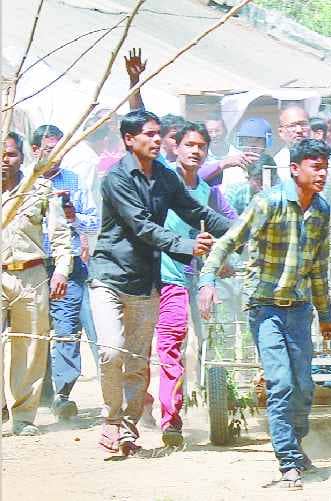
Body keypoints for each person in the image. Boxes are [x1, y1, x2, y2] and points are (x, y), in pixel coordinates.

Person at [198, 138, 331, 489]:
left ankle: (295, 444)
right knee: (281, 383)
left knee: (304, 386)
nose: (322, 173)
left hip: (300, 309)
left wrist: (326, 316)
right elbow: (228, 241)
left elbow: (318, 268)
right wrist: (207, 280)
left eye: (325, 167)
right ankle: (288, 461)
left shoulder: (322, 210)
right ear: (294, 169)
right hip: (264, 308)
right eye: (315, 166)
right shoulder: (268, 202)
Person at [89, 109, 233, 456]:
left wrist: (244, 232)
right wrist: (187, 245)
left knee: (138, 362)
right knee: (111, 351)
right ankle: (110, 418)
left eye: (159, 134)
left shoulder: (165, 177)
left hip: (146, 283)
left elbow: (197, 211)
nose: (157, 140)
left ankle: (128, 430)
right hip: (109, 277)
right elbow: (141, 226)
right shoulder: (116, 179)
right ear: (129, 140)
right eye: (150, 134)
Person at [156, 122, 238, 447]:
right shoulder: (162, 179)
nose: (195, 151)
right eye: (189, 144)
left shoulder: (208, 192)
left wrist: (215, 269)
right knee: (166, 347)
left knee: (205, 341)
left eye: (201, 146)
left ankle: (200, 411)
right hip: (160, 275)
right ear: (174, 147)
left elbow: (224, 231)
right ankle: (163, 417)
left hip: (192, 277)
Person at [1, 131, 71, 436]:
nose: (4, 161)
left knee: (31, 345)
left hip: (31, 275)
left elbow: (60, 235)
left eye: (10, 154)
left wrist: (61, 271)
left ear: (22, 157)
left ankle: (23, 417)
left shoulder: (40, 190)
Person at [30, 125, 100, 420]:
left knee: (66, 328)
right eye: (49, 150)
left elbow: (94, 222)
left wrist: (74, 218)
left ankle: (63, 395)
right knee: (31, 329)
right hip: (31, 265)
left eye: (61, 149)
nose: (56, 156)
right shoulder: (23, 182)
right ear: (35, 150)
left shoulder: (73, 180)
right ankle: (33, 394)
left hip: (67, 265)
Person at [220, 117, 276, 190]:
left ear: (266, 143)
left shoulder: (270, 164)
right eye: (247, 141)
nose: (250, 149)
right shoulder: (233, 167)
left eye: (256, 141)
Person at [273, 105, 311, 181]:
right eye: (292, 126)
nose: (299, 130)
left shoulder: (322, 159)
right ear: (281, 132)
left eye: (303, 124)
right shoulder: (277, 165)